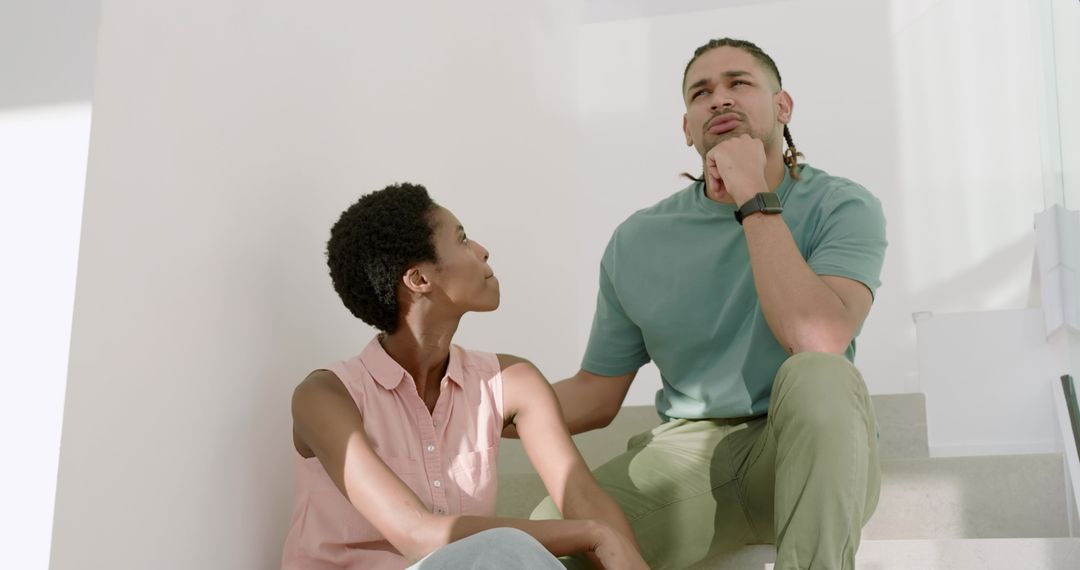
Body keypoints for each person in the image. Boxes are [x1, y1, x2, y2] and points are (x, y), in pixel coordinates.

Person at [526, 38, 888, 570]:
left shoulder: (841, 205)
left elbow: (818, 338)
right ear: (687, 127)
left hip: (811, 449)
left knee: (819, 373)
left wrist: (751, 195)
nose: (719, 99)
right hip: (686, 459)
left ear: (782, 107)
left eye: (738, 83)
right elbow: (598, 393)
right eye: (702, 92)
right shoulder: (639, 239)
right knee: (527, 547)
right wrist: (483, 409)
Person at [281, 183, 648, 569]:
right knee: (507, 550)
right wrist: (591, 534)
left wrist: (608, 537)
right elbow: (417, 535)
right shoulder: (324, 397)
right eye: (461, 239)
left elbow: (582, 496)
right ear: (419, 280)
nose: (482, 250)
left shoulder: (512, 381)